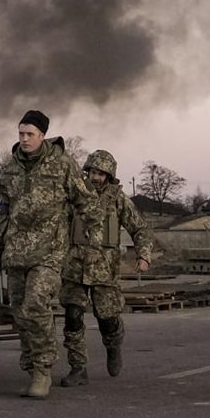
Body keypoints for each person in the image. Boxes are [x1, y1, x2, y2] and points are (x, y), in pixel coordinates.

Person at [0, 108, 91, 400]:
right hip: (16, 253)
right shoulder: (8, 170)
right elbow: (4, 213)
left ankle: (43, 370)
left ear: (42, 135)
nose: (24, 139)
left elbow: (85, 203)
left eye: (30, 134)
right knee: (21, 315)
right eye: (21, 134)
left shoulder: (62, 165)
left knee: (36, 305)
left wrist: (92, 244)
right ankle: (31, 367)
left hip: (49, 252)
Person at [59, 149, 155, 385]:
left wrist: (143, 256)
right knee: (72, 316)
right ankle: (78, 368)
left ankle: (113, 345)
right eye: (93, 172)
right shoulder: (74, 196)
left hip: (105, 272)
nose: (96, 178)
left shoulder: (118, 200)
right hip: (74, 268)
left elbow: (140, 229)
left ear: (109, 177)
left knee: (107, 318)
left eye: (102, 174)